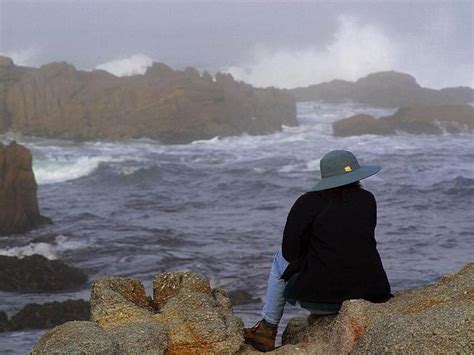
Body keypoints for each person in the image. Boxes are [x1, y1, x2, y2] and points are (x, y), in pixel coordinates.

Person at [244, 150, 392, 352]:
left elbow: (290, 252)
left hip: (324, 300)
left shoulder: (307, 203)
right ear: (356, 175)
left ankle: (267, 329)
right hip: (371, 293)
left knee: (280, 259)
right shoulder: (367, 199)